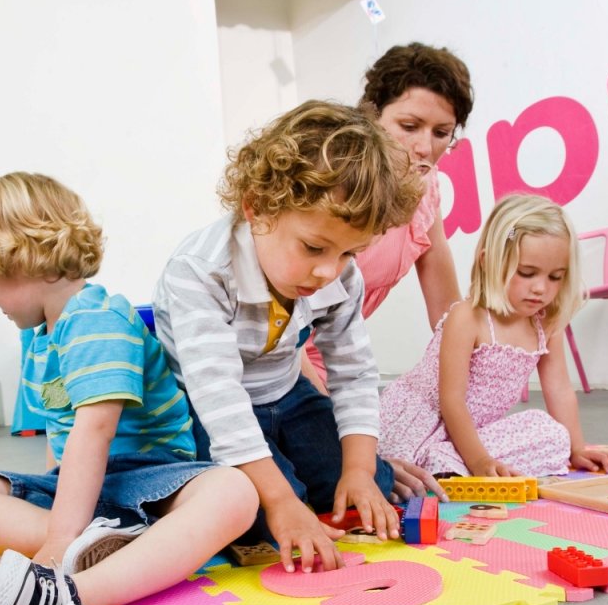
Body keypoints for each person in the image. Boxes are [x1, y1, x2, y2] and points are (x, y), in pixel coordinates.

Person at [0, 172, 258, 605]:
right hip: (84, 491)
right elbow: (62, 440)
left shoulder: (96, 318)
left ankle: (71, 593)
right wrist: (61, 515)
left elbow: (95, 431)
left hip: (148, 477)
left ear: (21, 259)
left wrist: (58, 542)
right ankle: (125, 552)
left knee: (234, 492)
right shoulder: (43, 336)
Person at [153, 100, 446, 576]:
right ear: (257, 207)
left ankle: (334, 477)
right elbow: (219, 398)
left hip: (288, 395)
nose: (328, 270)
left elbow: (353, 372)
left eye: (350, 252)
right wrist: (279, 499)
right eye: (313, 247)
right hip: (209, 412)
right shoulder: (200, 270)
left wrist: (359, 470)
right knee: (257, 514)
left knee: (364, 481)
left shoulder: (338, 276)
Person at [377, 194, 608, 477]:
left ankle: (446, 464)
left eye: (556, 277)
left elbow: (560, 389)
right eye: (527, 273)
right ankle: (435, 464)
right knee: (427, 455)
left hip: (471, 433)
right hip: (420, 423)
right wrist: (479, 461)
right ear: (488, 262)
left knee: (554, 435)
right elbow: (451, 401)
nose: (541, 288)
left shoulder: (547, 323)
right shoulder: (468, 317)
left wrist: (577, 447)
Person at [304, 42, 474, 391]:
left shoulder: (426, 186)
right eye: (409, 126)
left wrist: (474, 389)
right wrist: (321, 408)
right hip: (274, 354)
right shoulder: (332, 178)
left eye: (442, 133)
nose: (425, 148)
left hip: (335, 361)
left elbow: (447, 315)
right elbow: (278, 321)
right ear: (371, 116)